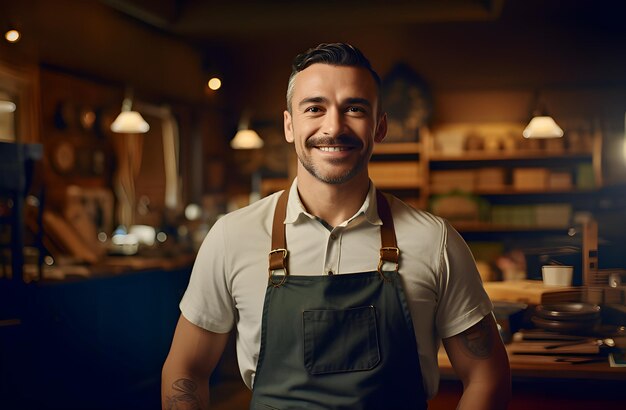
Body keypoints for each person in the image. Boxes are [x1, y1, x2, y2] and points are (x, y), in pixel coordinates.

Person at [162, 42, 511, 409]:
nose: (334, 126)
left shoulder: (434, 241)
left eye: (354, 109)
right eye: (315, 108)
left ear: (380, 127)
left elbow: (486, 374)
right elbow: (187, 368)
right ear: (289, 125)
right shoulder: (232, 237)